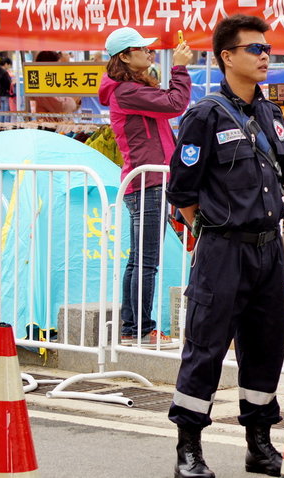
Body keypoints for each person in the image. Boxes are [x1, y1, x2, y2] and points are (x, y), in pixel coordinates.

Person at [167, 14, 284, 478]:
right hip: (222, 251)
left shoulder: (271, 114)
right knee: (205, 349)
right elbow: (183, 191)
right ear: (226, 56)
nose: (265, 56)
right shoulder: (203, 115)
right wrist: (215, 232)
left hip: (268, 251)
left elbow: (275, 177)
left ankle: (259, 443)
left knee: (266, 349)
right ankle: (189, 450)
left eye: (266, 48)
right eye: (254, 49)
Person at [98, 27, 193, 348]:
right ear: (124, 56)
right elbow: (176, 103)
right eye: (143, 49)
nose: (150, 53)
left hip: (149, 181)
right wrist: (179, 68)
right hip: (146, 183)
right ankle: (139, 328)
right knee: (145, 260)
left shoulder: (129, 89)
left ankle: (133, 327)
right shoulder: (125, 91)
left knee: (141, 259)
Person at [31, 51, 81, 121]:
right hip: (50, 128)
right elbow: (61, 106)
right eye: (58, 65)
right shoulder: (43, 84)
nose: (59, 68)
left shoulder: (51, 81)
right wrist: (73, 99)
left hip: (58, 126)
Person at [0, 57, 14, 122]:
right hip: (5, 94)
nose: (9, 67)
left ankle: (1, 126)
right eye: (9, 65)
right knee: (6, 113)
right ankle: (6, 126)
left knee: (2, 113)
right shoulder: (4, 73)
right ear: (5, 64)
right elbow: (8, 83)